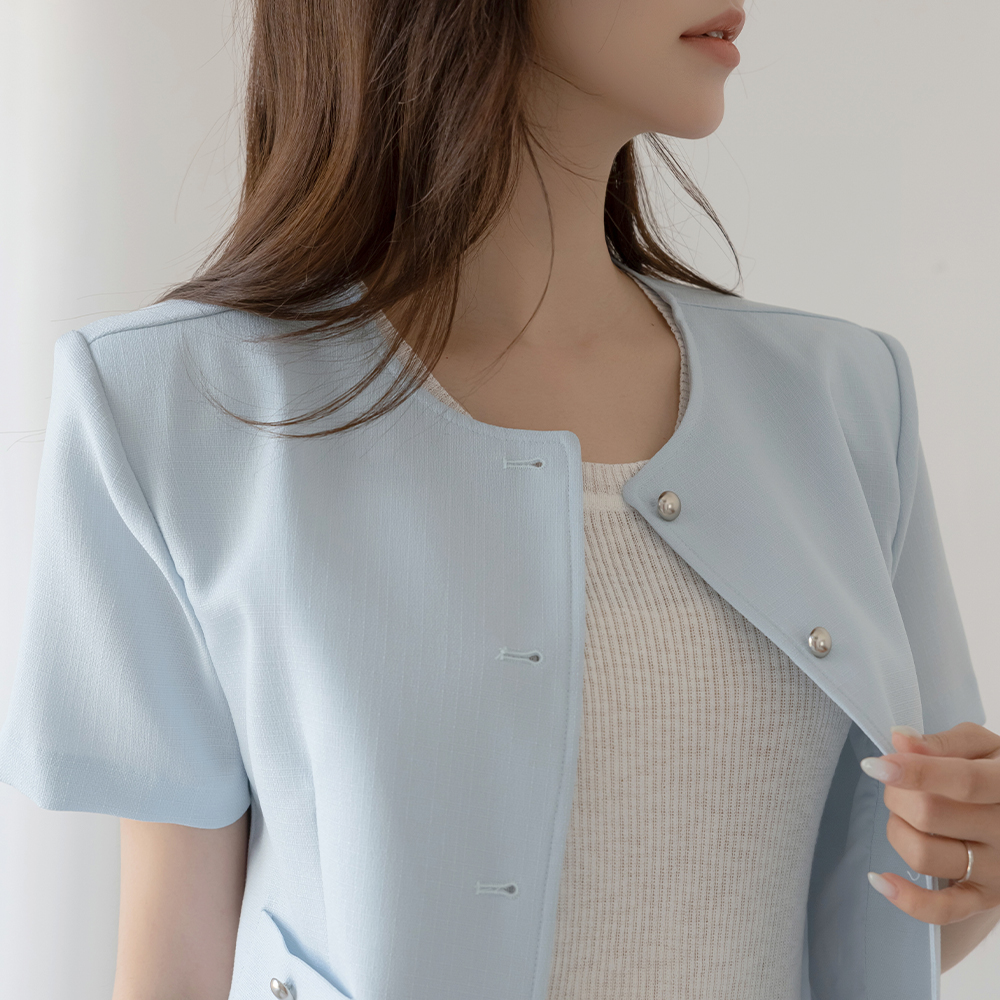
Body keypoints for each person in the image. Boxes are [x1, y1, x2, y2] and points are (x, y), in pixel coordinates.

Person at [0, 0, 997, 998]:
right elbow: (174, 959)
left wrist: (975, 876)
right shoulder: (176, 405)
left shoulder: (842, 399)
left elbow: (873, 928)